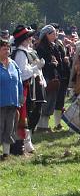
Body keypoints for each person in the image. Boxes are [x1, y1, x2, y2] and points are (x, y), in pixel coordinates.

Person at [11, 25, 45, 154]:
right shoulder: (20, 53)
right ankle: (22, 144)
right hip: (23, 88)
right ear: (24, 39)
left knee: (28, 114)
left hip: (29, 87)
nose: (31, 39)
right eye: (29, 37)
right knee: (23, 115)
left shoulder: (26, 51)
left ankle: (27, 143)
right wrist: (36, 68)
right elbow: (23, 73)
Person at [36, 24, 68, 132]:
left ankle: (45, 125)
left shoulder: (54, 46)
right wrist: (53, 64)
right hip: (45, 77)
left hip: (53, 76)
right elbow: (41, 64)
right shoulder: (40, 48)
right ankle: (41, 126)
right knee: (45, 101)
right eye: (53, 33)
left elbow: (57, 61)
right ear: (46, 35)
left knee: (51, 101)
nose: (56, 35)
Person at [0, 39, 23, 160]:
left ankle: (6, 153)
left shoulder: (13, 64)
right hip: (0, 102)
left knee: (10, 127)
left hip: (13, 102)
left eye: (8, 49)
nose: (7, 51)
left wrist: (20, 97)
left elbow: (19, 81)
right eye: (4, 49)